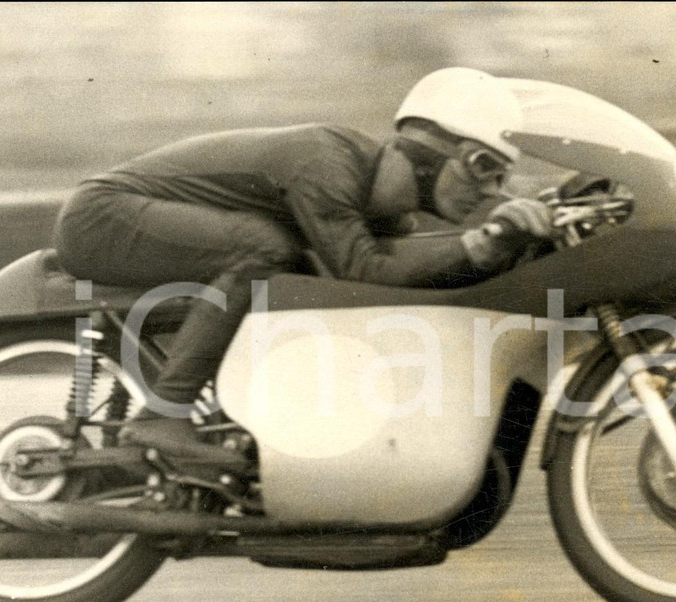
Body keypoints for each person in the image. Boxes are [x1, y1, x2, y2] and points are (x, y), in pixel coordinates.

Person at [53, 67, 555, 460]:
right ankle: (163, 415)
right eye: (484, 166)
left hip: (128, 217)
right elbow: (364, 273)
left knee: (282, 259)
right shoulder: (325, 161)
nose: (491, 191)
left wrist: (498, 247)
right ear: (430, 152)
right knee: (267, 247)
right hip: (101, 215)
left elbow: (407, 266)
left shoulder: (386, 213)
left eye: (502, 177)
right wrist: (476, 247)